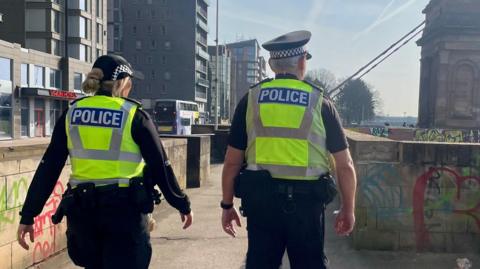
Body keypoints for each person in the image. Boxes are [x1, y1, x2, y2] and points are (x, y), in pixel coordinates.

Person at [17, 54, 193, 269]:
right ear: (123, 83)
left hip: (83, 214)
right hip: (124, 213)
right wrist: (181, 204)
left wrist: (28, 215)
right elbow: (160, 167)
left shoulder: (72, 113)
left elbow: (49, 167)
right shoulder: (134, 116)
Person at [221, 31, 357, 269]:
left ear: (272, 64)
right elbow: (345, 166)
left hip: (261, 205)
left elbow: (232, 162)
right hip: (307, 208)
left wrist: (227, 205)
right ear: (303, 61)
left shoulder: (251, 100)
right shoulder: (320, 103)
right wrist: (348, 209)